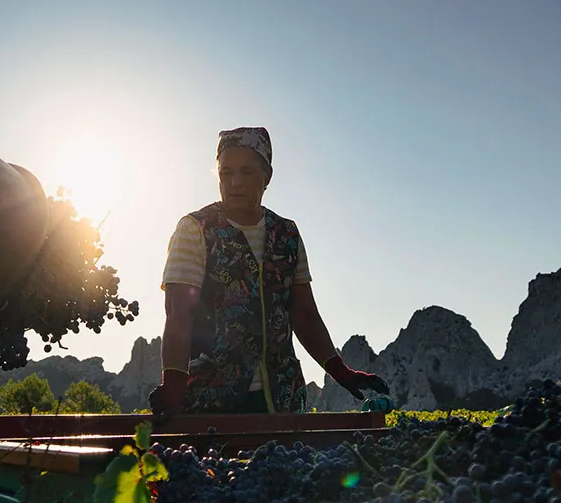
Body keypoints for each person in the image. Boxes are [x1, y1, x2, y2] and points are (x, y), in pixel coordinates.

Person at [149, 127, 390, 417]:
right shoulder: (195, 229)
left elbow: (303, 313)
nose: (235, 182)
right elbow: (178, 311)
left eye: (246, 172)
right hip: (211, 397)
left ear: (267, 177)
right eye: (226, 173)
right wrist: (174, 382)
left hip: (281, 397)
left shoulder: (286, 234)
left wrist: (339, 370)